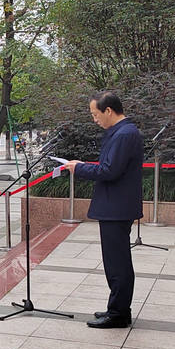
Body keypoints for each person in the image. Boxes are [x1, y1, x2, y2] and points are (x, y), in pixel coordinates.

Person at [62, 92, 144, 329]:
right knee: (115, 261)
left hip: (117, 207)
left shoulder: (125, 134)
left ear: (108, 110)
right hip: (115, 205)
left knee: (117, 263)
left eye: (95, 114)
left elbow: (109, 170)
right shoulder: (121, 132)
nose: (94, 119)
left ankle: (119, 313)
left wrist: (80, 168)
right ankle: (116, 307)